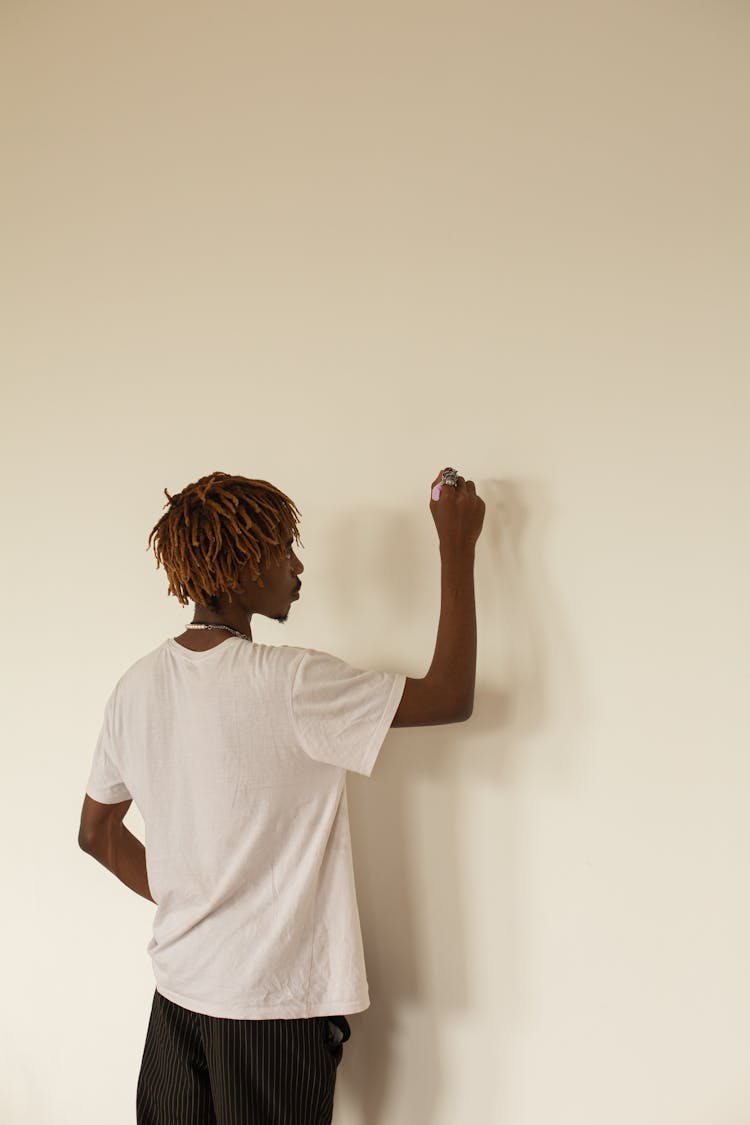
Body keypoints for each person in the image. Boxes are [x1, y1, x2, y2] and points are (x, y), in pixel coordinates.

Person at [78, 467, 485, 1125]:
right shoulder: (291, 682)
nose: (297, 566)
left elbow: (96, 833)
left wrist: (193, 891)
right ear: (238, 565)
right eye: (280, 550)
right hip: (271, 1010)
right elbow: (450, 695)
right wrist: (456, 545)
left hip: (177, 999)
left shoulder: (137, 686)